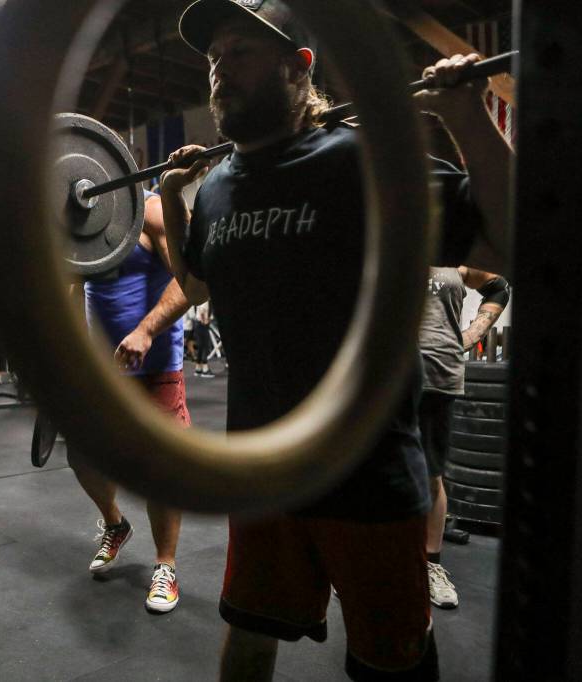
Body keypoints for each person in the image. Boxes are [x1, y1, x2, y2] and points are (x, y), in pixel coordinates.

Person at [160, 1, 512, 678]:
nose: (219, 71)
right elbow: (197, 285)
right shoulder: (217, 190)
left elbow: (509, 242)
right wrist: (177, 200)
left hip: (368, 473)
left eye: (240, 53)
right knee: (248, 637)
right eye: (213, 58)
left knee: (392, 662)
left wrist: (466, 117)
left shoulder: (362, 162)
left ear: (300, 67)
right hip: (262, 466)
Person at [73, 191, 193, 613]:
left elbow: (189, 279)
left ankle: (165, 566)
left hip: (155, 364)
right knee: (83, 457)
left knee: (161, 467)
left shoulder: (151, 211)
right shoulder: (74, 219)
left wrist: (146, 330)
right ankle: (115, 523)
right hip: (103, 373)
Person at [419, 266, 510, 609]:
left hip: (437, 374)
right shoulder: (389, 243)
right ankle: (367, 562)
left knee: (431, 474)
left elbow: (498, 287)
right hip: (383, 374)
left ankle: (430, 564)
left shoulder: (455, 259)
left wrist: (473, 332)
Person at [192, 301, 215, 377]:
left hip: (198, 324)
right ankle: (205, 369)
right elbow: (202, 310)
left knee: (201, 346)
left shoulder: (200, 298)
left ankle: (198, 368)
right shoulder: (205, 299)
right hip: (202, 324)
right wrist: (205, 320)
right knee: (205, 346)